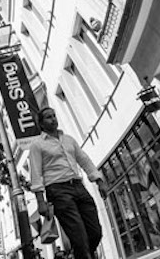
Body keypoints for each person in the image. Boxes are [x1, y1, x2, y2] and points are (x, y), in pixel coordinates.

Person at [29, 107, 108, 259]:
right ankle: (82, 253)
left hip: (78, 186)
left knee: (95, 232)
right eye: (48, 117)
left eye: (54, 115)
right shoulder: (37, 145)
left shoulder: (68, 140)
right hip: (58, 191)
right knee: (79, 238)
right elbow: (36, 173)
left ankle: (79, 255)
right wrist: (40, 201)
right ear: (41, 124)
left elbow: (84, 160)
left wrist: (99, 181)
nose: (53, 119)